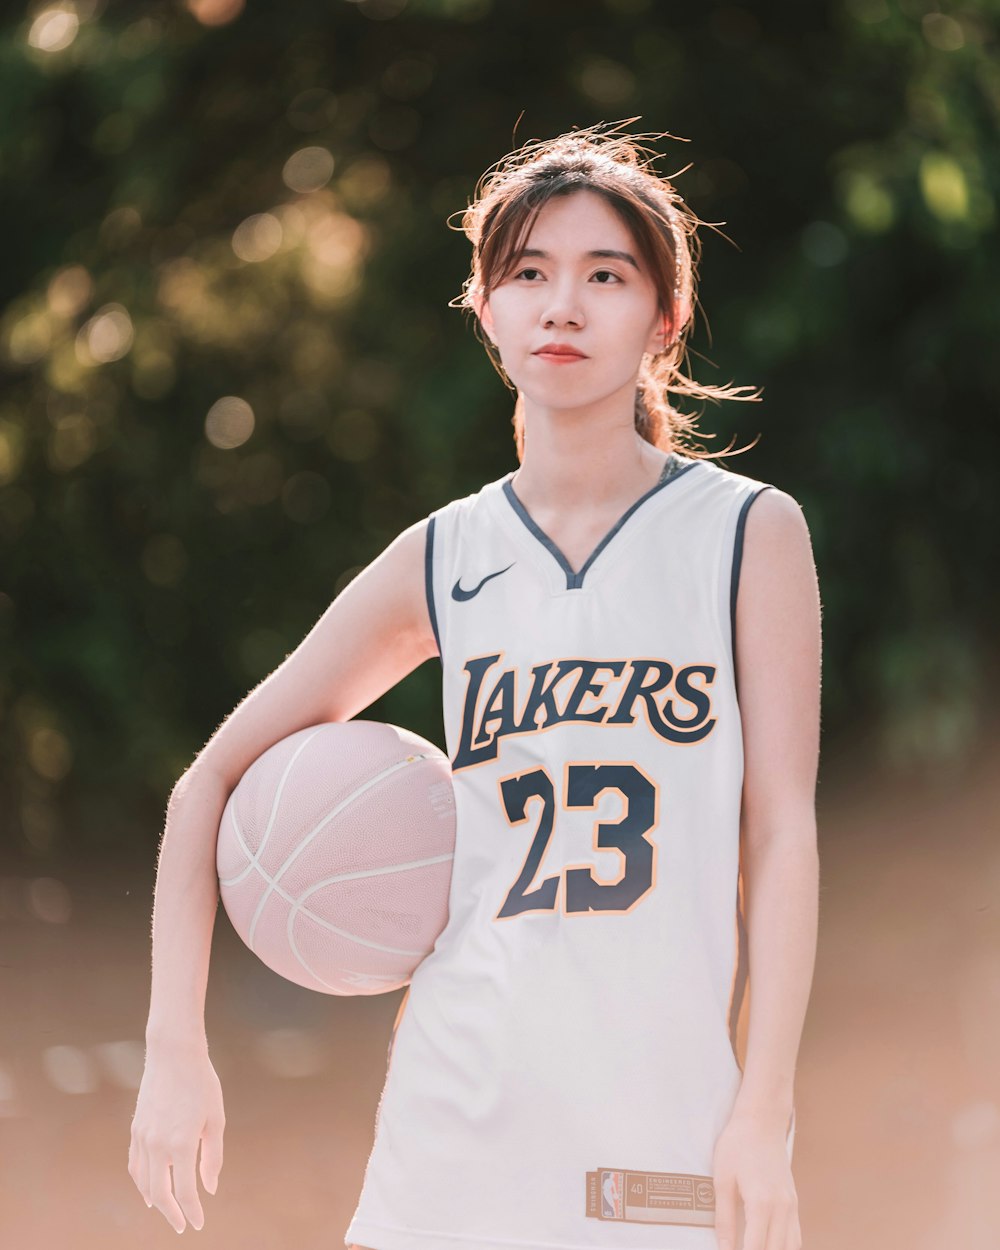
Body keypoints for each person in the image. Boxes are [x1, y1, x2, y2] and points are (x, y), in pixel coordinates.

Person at [129, 120, 820, 1250]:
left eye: (606, 275)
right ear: (485, 309)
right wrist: (174, 1052)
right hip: (450, 1127)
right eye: (529, 274)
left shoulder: (746, 533)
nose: (563, 306)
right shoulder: (444, 555)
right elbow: (206, 783)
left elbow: (781, 834)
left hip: (661, 1123)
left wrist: (765, 1108)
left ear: (665, 316)